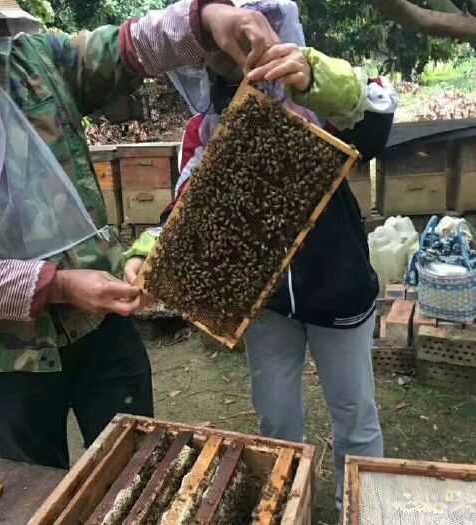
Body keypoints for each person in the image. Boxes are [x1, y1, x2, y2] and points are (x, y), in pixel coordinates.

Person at [0, 0, 281, 469]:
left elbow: (130, 46)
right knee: (37, 491)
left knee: (133, 470)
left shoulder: (32, 61)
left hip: (103, 324)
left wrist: (207, 18)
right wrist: (57, 285)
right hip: (5, 355)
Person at [123, 0, 398, 509]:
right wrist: (149, 252)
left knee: (354, 413)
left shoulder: (318, 99)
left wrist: (312, 76)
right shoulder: (202, 131)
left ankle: (358, 510)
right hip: (265, 301)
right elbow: (188, 205)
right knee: (275, 421)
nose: (233, 53)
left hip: (338, 288)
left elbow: (375, 123)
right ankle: (288, 509)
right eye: (219, 44)